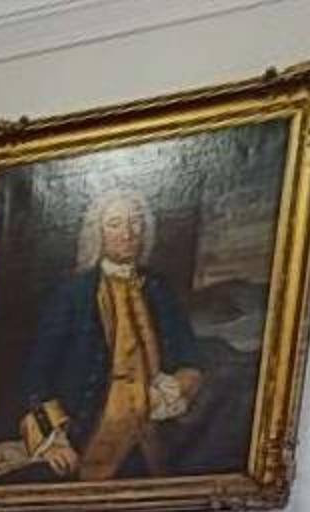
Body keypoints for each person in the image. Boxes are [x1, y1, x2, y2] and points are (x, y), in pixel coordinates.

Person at [17, 186, 207, 481]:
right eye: (115, 224)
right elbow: (37, 375)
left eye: (135, 222)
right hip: (90, 432)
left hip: (153, 435)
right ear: (98, 233)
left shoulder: (160, 289)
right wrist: (53, 439)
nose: (127, 233)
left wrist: (174, 390)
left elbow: (191, 359)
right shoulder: (73, 294)